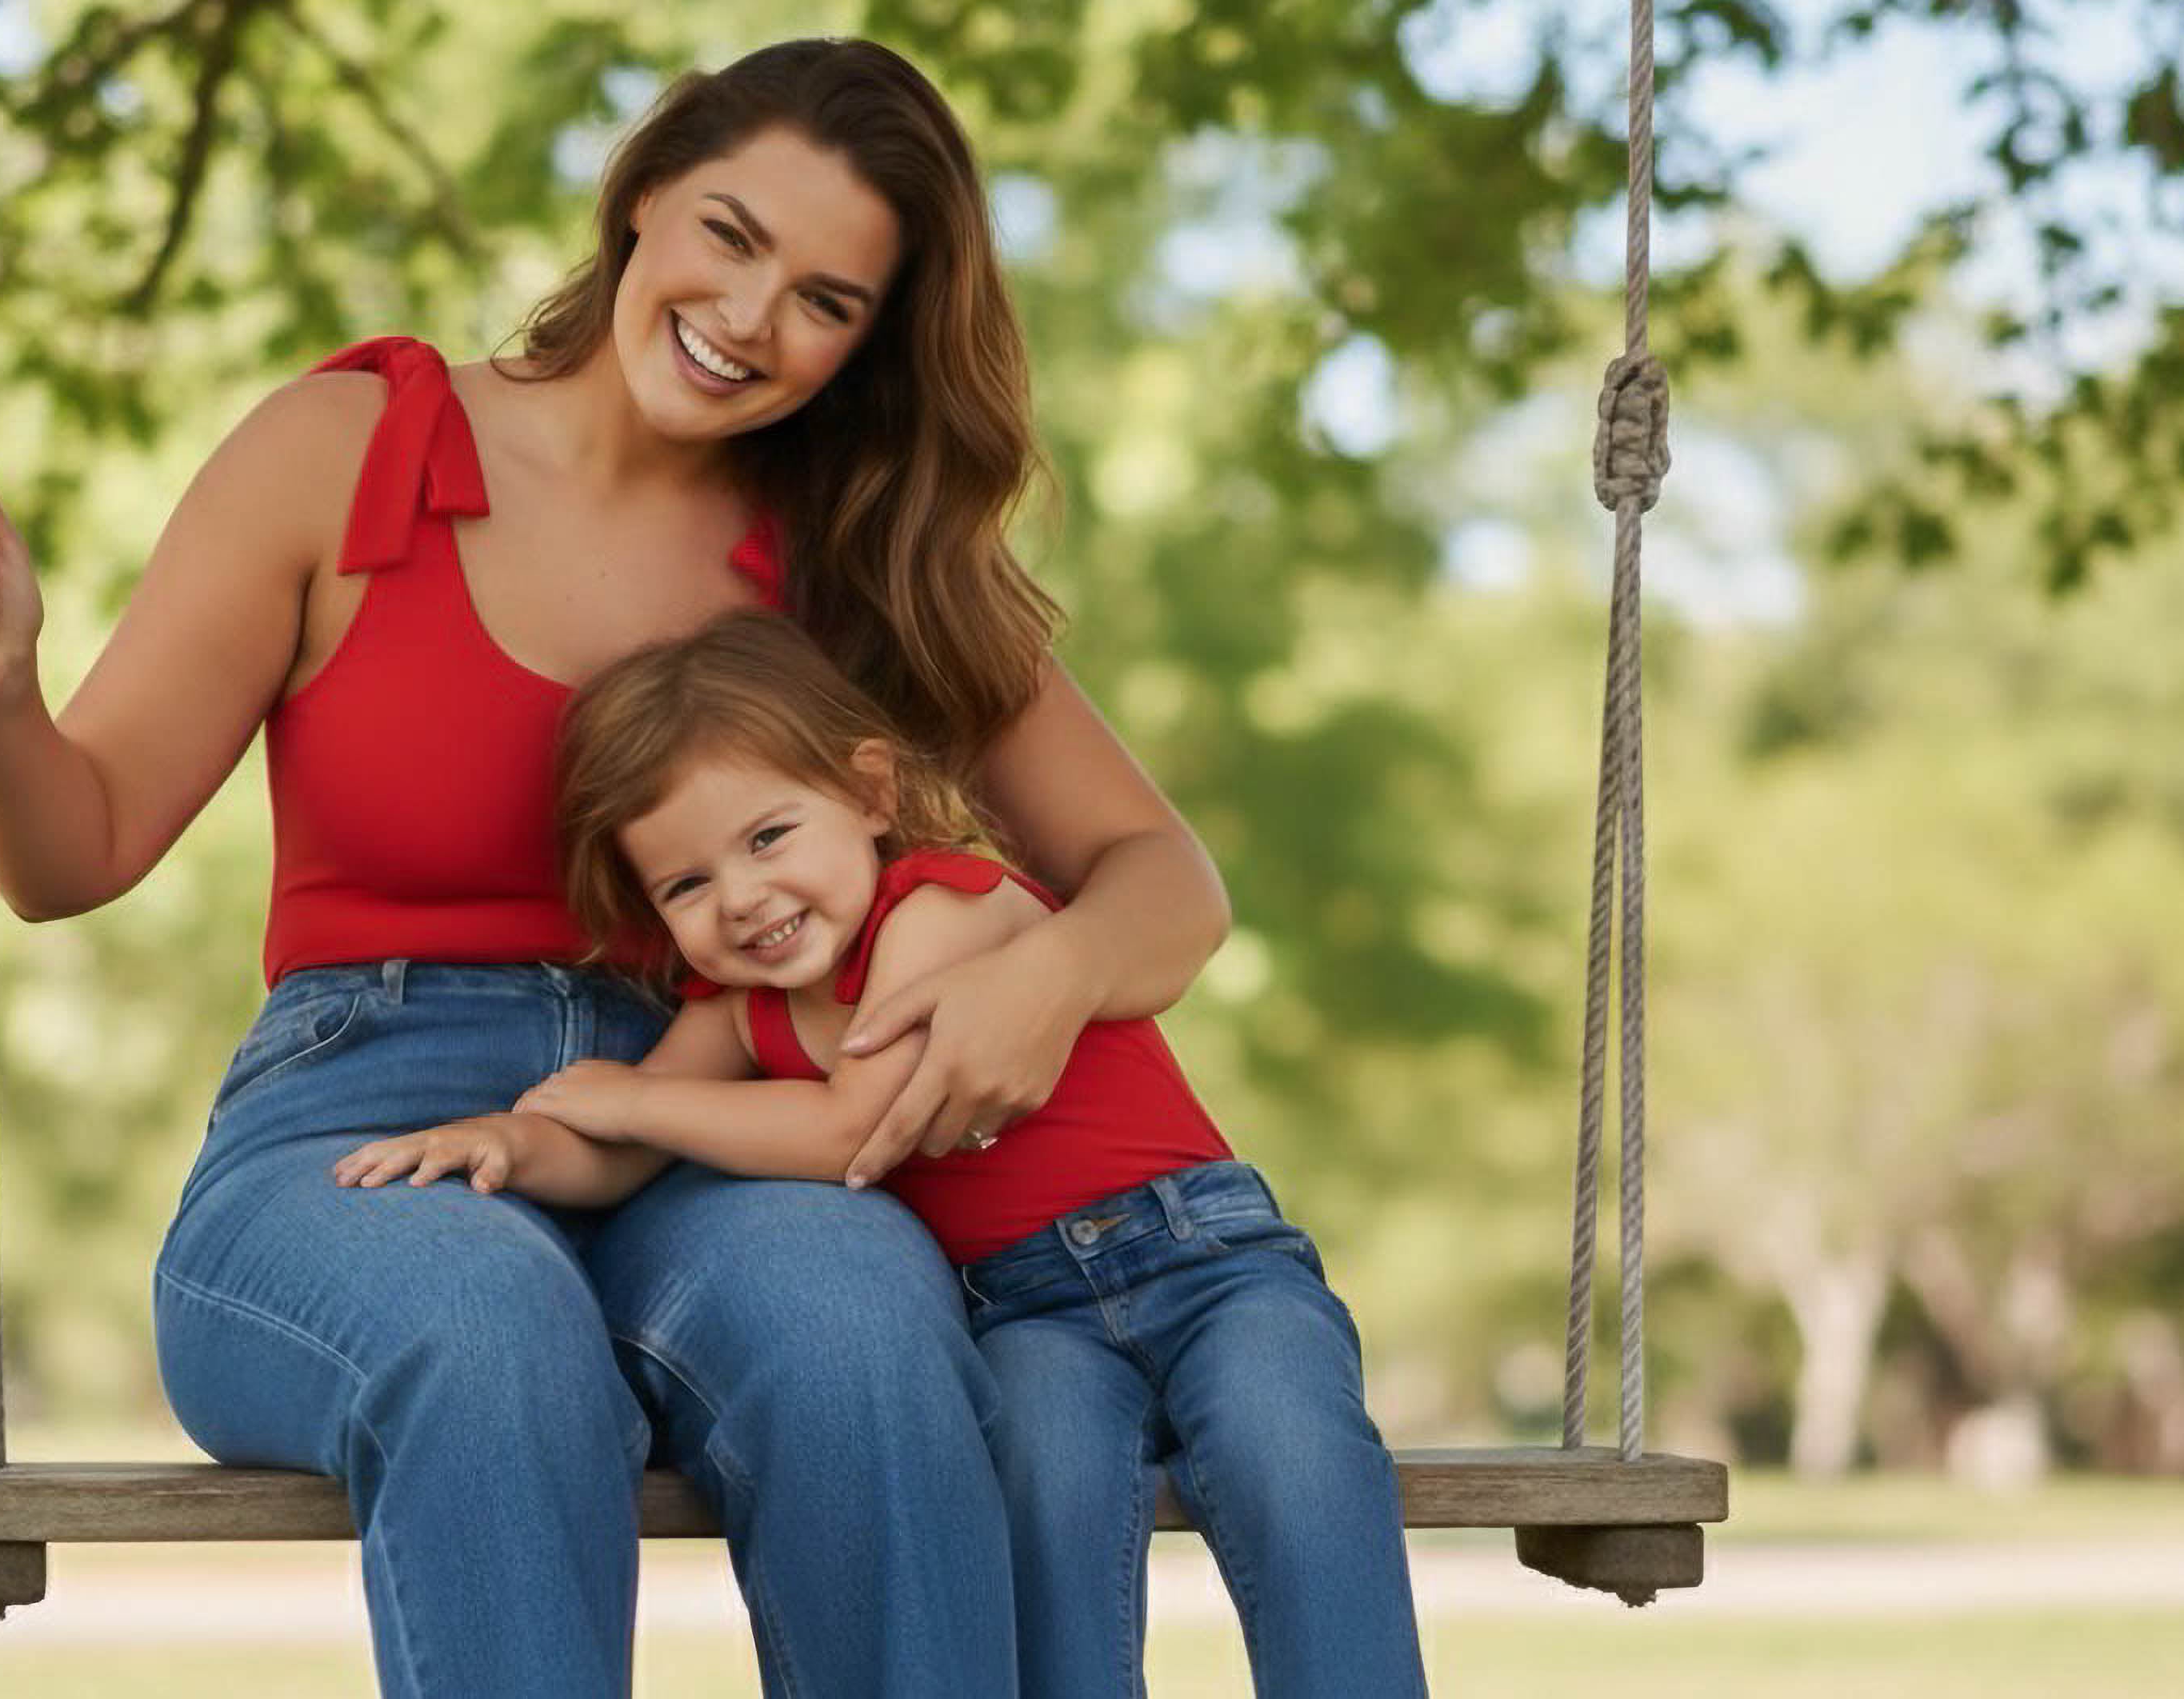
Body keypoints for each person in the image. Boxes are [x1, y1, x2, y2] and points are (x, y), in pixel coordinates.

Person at [0, 37, 1233, 1699]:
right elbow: (67, 855)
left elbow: (1161, 878)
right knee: (488, 1329)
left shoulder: (856, 547)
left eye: (826, 299)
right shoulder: (349, 445)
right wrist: (5, 685)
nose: (749, 318)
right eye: (729, 237)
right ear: (640, 201)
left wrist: (1045, 977)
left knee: (863, 1320)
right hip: (355, 1134)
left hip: (717, 1136)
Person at [339, 610, 1429, 1699]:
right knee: (1043, 1507)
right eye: (687, 886)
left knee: (1293, 1457)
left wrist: (634, 1101)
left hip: (1201, 1259)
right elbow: (617, 1157)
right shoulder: (739, 1012)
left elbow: (846, 1130)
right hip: (1023, 1313)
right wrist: (508, 1145)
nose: (745, 899)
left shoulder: (941, 904)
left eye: (768, 838)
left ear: (870, 794)